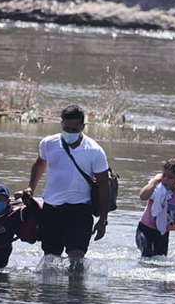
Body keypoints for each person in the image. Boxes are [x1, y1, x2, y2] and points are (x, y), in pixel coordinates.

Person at [24, 105, 111, 273]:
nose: (70, 132)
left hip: (80, 209)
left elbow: (104, 185)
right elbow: (40, 162)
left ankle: (75, 296)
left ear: (83, 127)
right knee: (50, 257)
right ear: (61, 123)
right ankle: (49, 296)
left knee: (77, 258)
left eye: (74, 129)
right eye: (66, 128)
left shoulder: (94, 151)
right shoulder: (48, 143)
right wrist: (30, 188)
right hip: (52, 208)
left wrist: (103, 220)